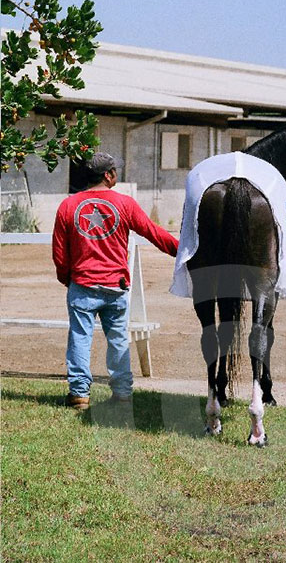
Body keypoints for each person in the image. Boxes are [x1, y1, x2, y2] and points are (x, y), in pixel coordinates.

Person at [52, 152, 178, 410]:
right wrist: (183, 250)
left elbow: (59, 252)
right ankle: (122, 393)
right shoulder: (125, 204)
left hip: (83, 285)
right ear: (108, 175)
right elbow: (154, 233)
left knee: (79, 338)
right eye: (115, 171)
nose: (116, 175)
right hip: (116, 286)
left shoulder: (68, 205)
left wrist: (68, 278)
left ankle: (79, 394)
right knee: (119, 340)